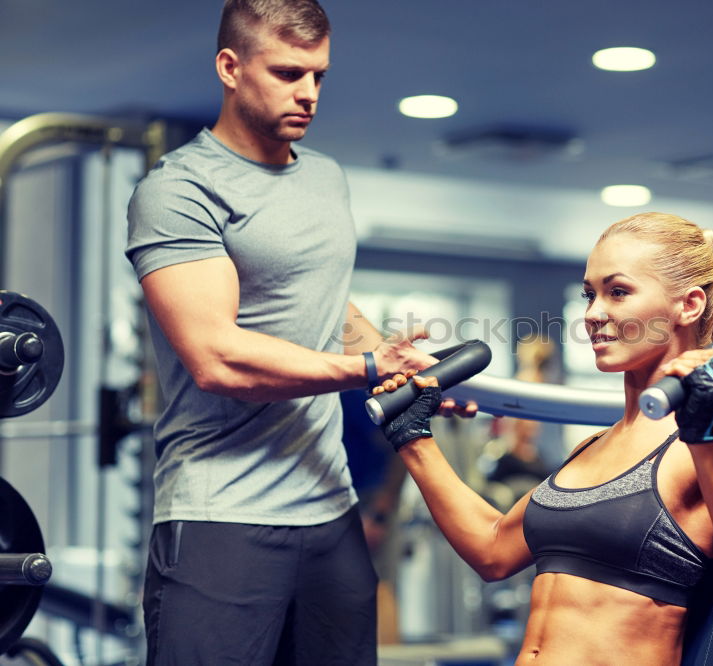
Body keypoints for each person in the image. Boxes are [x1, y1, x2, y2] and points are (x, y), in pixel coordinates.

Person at [125, 1, 465, 663]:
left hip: (329, 512)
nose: (308, 94)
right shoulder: (179, 190)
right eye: (287, 73)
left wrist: (408, 373)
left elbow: (330, 311)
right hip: (222, 512)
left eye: (319, 76)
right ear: (230, 67)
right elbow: (217, 360)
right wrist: (369, 371)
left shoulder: (324, 179)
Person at [374, 212, 713, 665]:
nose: (593, 314)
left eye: (618, 292)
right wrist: (414, 439)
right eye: (589, 294)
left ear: (688, 306)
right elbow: (493, 550)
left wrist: (702, 437)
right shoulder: (591, 447)